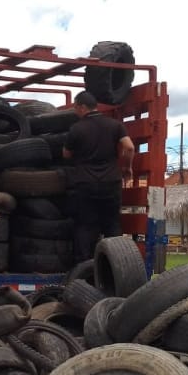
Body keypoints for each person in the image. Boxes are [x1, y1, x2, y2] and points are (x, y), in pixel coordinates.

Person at [62, 91, 135, 265]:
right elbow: (129, 147)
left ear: (81, 107)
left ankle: (83, 269)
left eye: (75, 107)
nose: (74, 111)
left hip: (85, 183)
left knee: (85, 226)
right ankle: (116, 267)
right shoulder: (115, 125)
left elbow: (66, 154)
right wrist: (127, 168)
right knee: (112, 225)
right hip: (111, 183)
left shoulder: (77, 128)